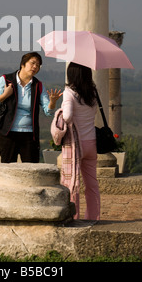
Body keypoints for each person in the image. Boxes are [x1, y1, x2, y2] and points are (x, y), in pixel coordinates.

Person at [0, 52, 62, 163]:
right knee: (8, 169)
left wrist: (52, 102)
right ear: (23, 64)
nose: (35, 67)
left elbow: (48, 111)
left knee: (31, 170)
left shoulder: (38, 85)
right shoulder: (6, 80)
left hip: (29, 134)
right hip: (8, 133)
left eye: (38, 65)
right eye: (32, 63)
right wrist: (4, 95)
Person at [61, 62, 100, 220]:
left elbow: (67, 116)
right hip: (91, 142)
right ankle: (93, 217)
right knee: (92, 184)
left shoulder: (69, 92)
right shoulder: (92, 93)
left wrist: (61, 110)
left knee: (72, 183)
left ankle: (73, 216)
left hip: (76, 144)